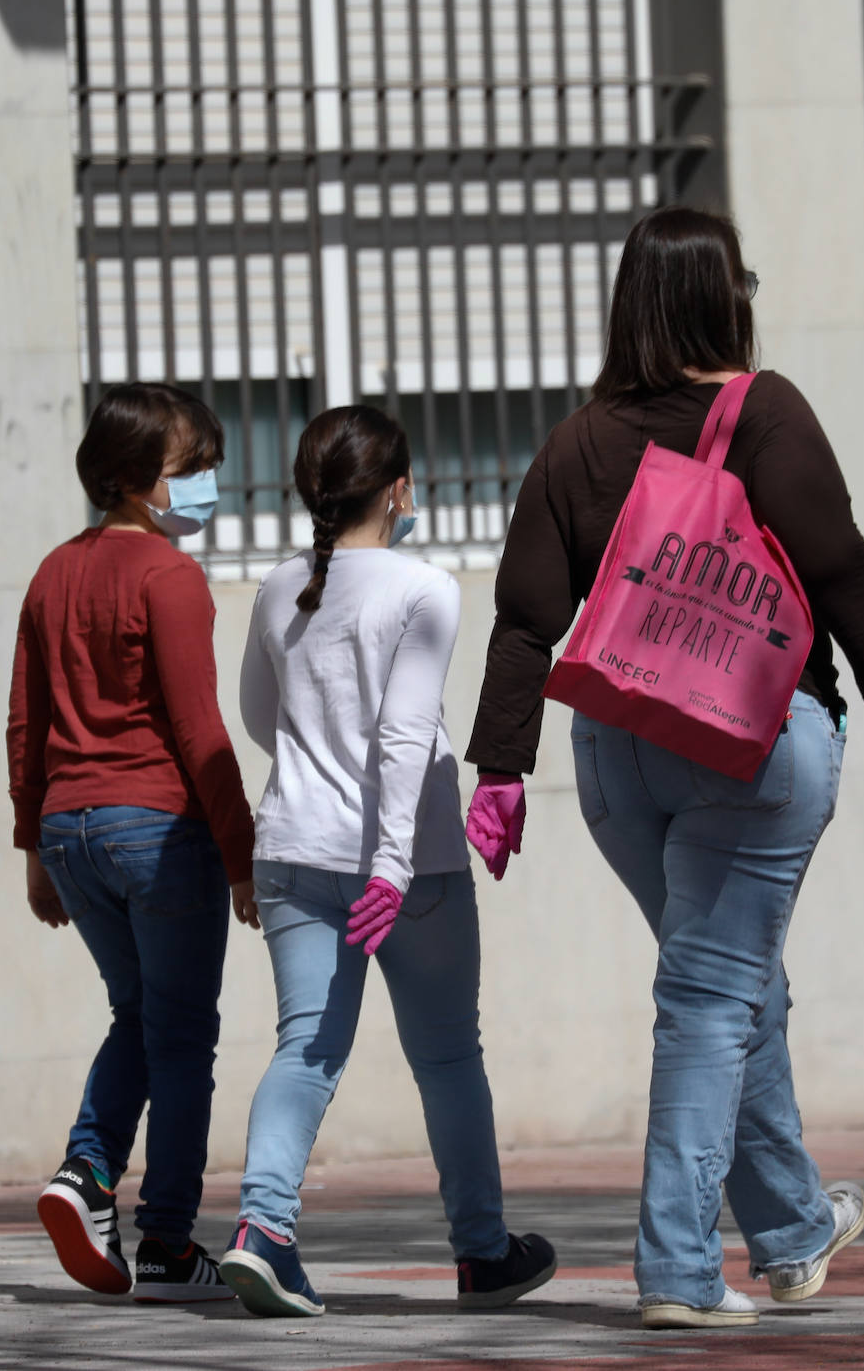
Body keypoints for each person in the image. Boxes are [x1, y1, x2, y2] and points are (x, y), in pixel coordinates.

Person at [464, 206, 864, 1329]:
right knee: (708, 995)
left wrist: (501, 771)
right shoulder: (765, 411)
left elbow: (522, 622)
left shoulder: (576, 440)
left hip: (616, 754)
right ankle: (679, 1268)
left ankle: (791, 1231)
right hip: (748, 739)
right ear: (719, 297)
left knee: (737, 988)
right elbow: (842, 576)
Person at [217, 404, 555, 1317]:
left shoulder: (278, 584)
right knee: (447, 1058)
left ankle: (263, 1231)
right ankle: (483, 1255)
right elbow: (408, 734)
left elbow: (258, 716)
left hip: (293, 847)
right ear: (399, 487)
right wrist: (392, 865)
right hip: (407, 870)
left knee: (305, 1050)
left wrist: (318, 763)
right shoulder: (424, 588)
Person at [6, 382, 257, 1304]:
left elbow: (25, 719)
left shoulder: (51, 571)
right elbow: (200, 729)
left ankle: (84, 1176)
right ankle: (165, 1245)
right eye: (190, 468)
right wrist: (241, 852)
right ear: (134, 476)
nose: (207, 483)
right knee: (184, 1035)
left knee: (139, 1018)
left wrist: (35, 846)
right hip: (158, 831)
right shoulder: (169, 576)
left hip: (73, 834)